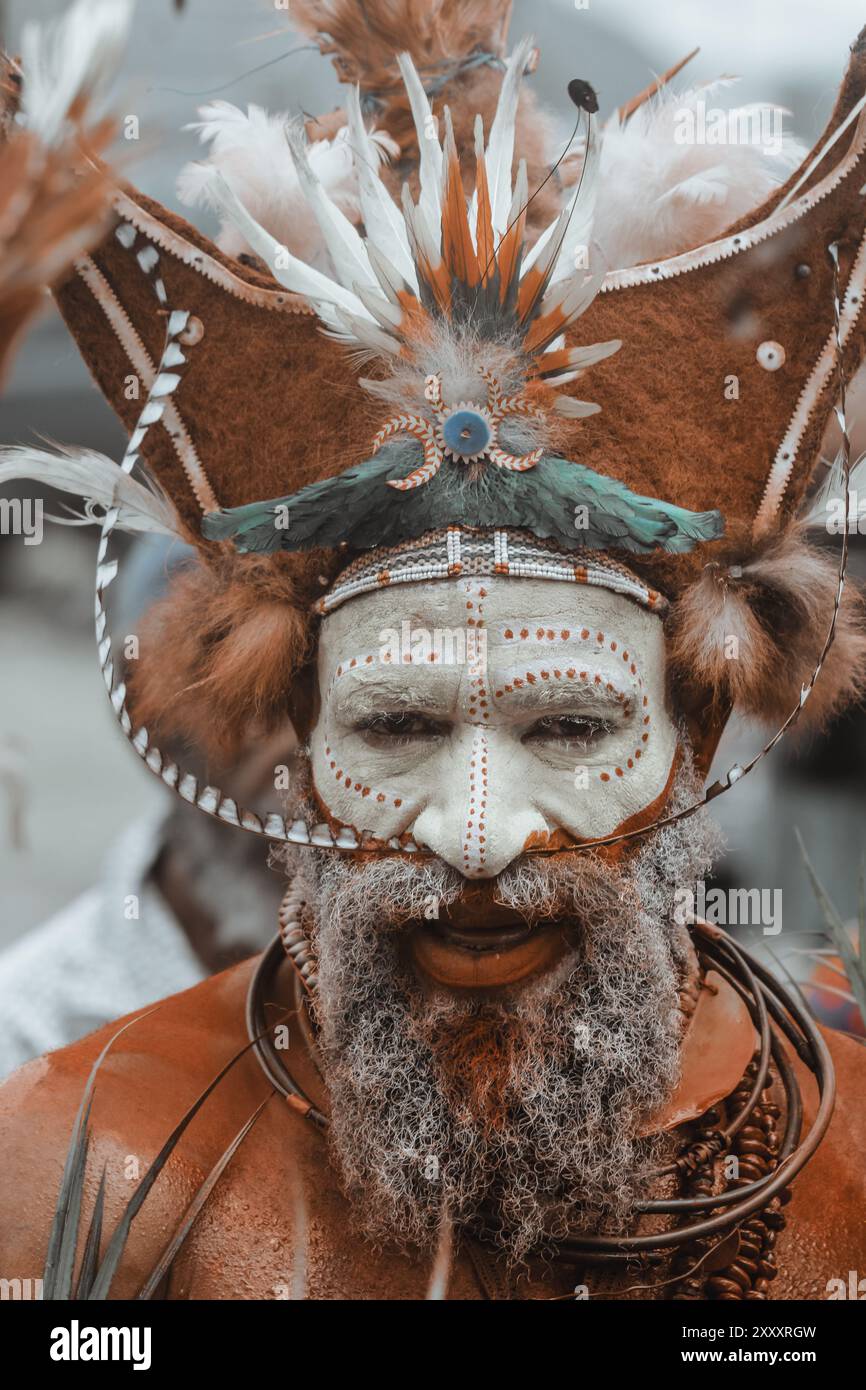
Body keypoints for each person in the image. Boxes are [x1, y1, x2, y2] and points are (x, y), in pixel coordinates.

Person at [1, 0, 864, 1301]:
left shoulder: (841, 1146)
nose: (476, 835)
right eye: (397, 726)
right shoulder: (89, 1149)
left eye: (568, 727)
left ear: (690, 743)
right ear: (294, 744)